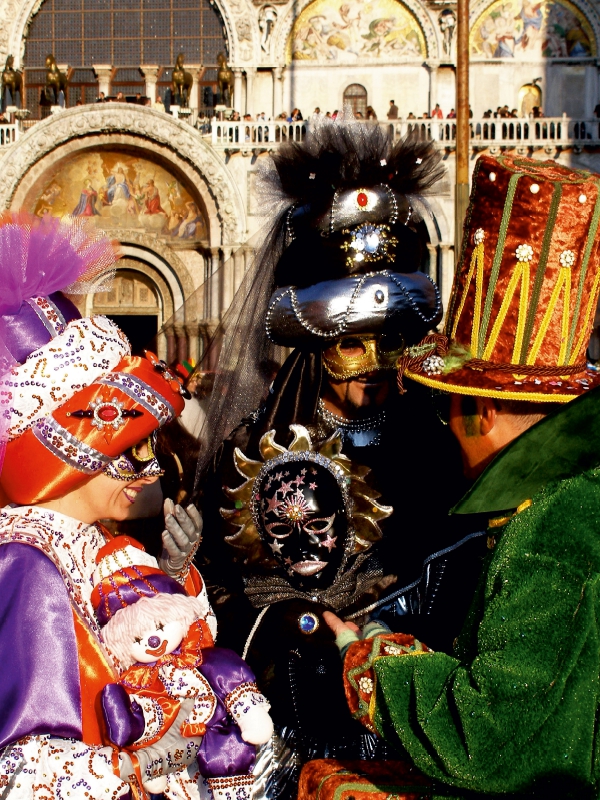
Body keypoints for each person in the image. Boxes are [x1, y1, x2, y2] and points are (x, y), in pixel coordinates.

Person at [197, 121, 485, 797]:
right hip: (301, 714)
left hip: (419, 709)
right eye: (352, 346)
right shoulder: (258, 445)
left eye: (390, 342)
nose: (375, 368)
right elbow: (233, 590)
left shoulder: (442, 444)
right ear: (314, 344)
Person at [319, 153, 600, 797]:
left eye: (451, 402)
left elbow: (487, 736)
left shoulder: (551, 532)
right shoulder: (572, 493)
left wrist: (370, 663)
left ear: (482, 407)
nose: (445, 422)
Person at [0, 214, 224, 798]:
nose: (150, 470)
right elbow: (23, 769)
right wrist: (149, 767)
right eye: (131, 448)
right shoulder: (30, 566)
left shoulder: (83, 545)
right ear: (70, 453)